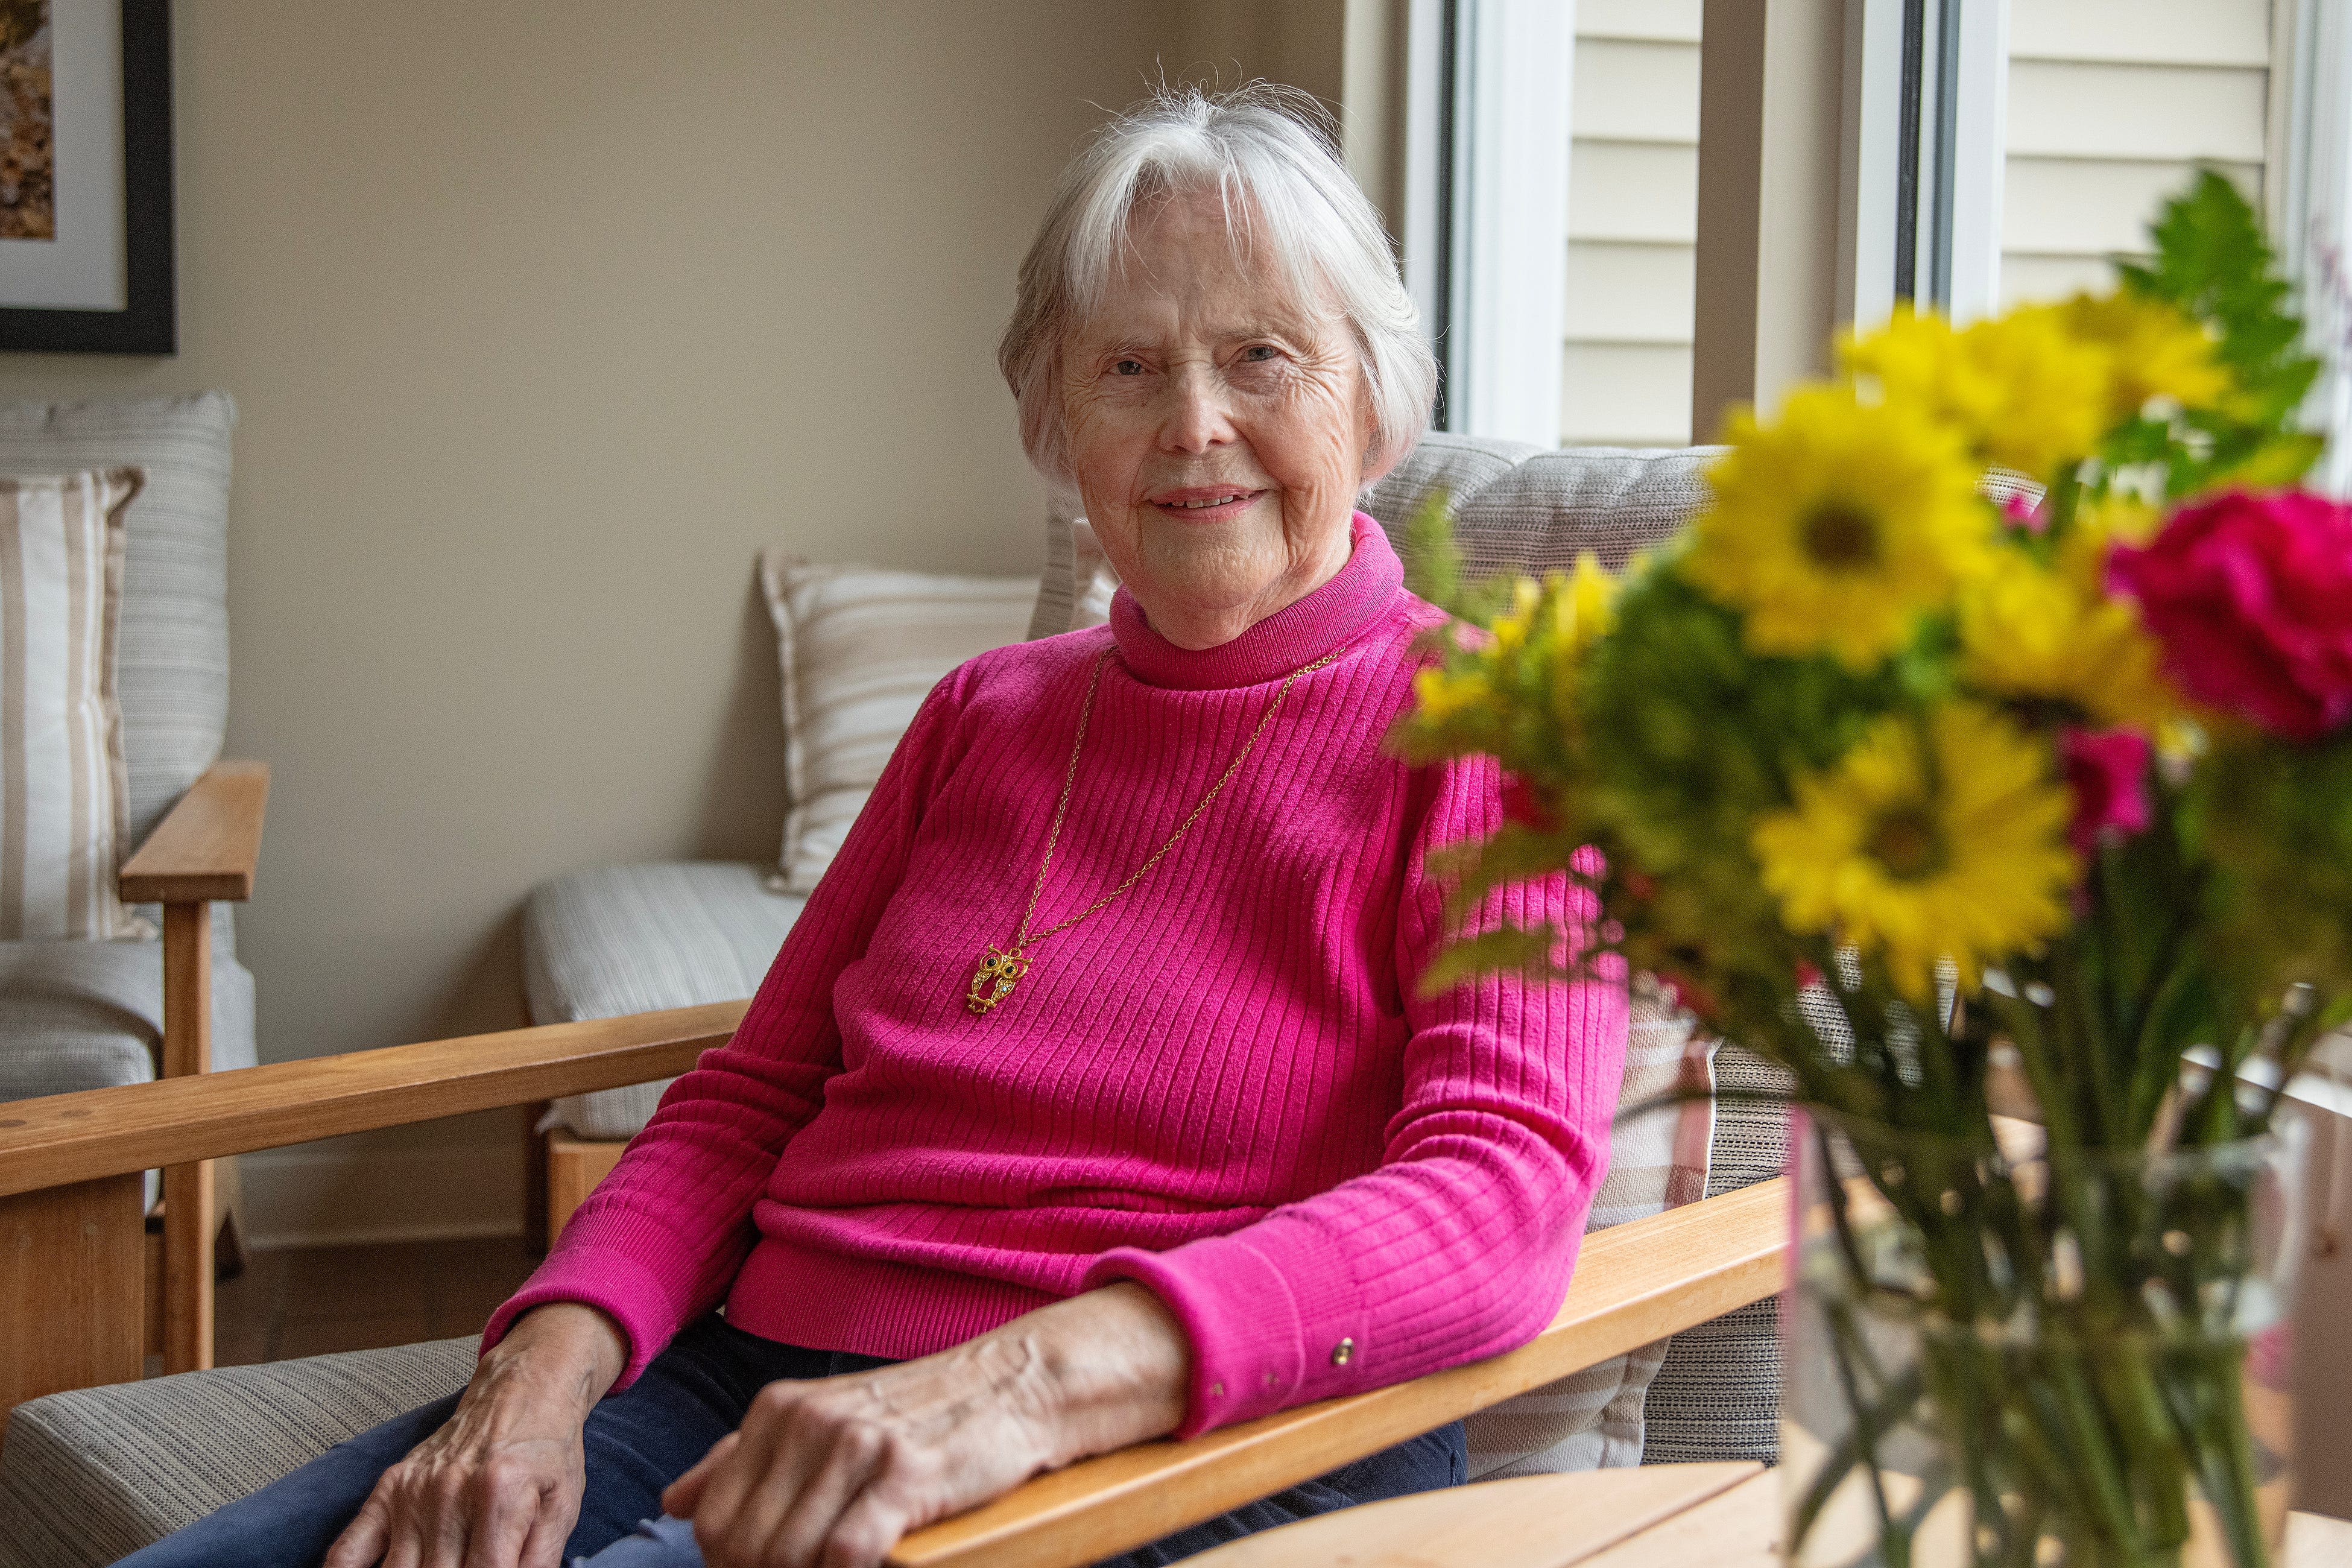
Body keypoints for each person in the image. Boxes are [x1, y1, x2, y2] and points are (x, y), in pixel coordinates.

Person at [126, 83, 1628, 1568]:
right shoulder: (988, 711)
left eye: (1262, 357)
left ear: (1371, 401)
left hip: (1180, 1438)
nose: (1194, 424)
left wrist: (1020, 1380)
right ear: (1056, 420)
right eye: (1127, 365)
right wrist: (537, 1380)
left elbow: (1495, 1193)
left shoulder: (1493, 729)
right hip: (743, 1379)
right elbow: (748, 1099)